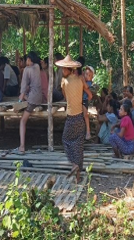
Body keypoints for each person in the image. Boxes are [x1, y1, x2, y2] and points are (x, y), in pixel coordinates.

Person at [56, 55, 92, 183]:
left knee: (66, 140)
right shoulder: (81, 79)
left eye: (63, 69)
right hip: (80, 118)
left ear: (68, 69)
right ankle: (78, 177)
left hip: (71, 117)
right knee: (79, 145)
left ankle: (73, 164)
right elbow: (89, 94)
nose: (62, 71)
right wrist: (83, 103)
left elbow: (65, 97)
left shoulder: (64, 82)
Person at [15, 52, 45, 154]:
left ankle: (22, 146)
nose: (25, 62)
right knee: (27, 98)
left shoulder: (26, 70)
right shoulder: (37, 67)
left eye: (26, 60)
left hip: (32, 99)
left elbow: (23, 87)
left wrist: (20, 98)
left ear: (29, 60)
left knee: (22, 121)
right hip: (39, 97)